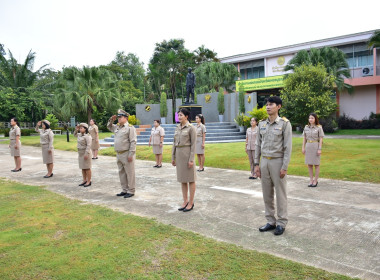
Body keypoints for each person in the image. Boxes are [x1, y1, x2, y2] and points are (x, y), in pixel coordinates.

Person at [254, 96, 292, 236]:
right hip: (264, 162)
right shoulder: (262, 124)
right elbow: (258, 144)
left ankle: (281, 223)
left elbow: (288, 147)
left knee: (280, 194)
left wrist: (285, 166)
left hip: (277, 161)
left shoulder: (284, 124)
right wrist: (256, 164)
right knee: (266, 193)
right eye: (267, 105)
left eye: (271, 104)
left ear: (279, 107)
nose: (268, 107)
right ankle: (270, 221)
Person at [172, 108, 197, 212]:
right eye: (178, 115)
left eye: (181, 115)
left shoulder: (191, 128)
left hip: (187, 155)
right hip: (179, 155)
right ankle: (185, 200)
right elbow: (174, 143)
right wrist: (173, 157)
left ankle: (191, 202)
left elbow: (193, 144)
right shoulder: (177, 127)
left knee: (190, 179)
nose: (179, 117)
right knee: (182, 179)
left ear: (186, 116)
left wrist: (191, 159)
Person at [107, 109, 137, 198]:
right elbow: (109, 127)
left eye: (120, 117)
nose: (119, 119)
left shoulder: (130, 128)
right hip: (119, 154)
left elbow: (133, 142)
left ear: (126, 118)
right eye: (118, 117)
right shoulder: (117, 127)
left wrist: (131, 154)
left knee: (130, 173)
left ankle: (131, 191)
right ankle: (124, 190)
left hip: (127, 153)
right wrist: (111, 120)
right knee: (122, 173)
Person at [302, 113, 325, 187]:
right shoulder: (306, 127)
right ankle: (311, 180)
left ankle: (316, 180)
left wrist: (319, 149)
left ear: (315, 119)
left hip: (315, 146)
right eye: (309, 118)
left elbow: (321, 139)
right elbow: (304, 138)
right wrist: (303, 147)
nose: (310, 119)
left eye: (312, 118)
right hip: (308, 146)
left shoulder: (319, 127)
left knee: (316, 164)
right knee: (309, 164)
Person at [74, 123, 92, 187]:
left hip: (85, 153)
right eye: (80, 128)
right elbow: (74, 135)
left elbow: (89, 145)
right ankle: (84, 180)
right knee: (83, 167)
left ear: (85, 129)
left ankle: (89, 181)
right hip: (80, 153)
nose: (80, 129)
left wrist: (86, 153)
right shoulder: (79, 135)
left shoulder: (87, 136)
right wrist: (76, 129)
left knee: (87, 168)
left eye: (81, 128)